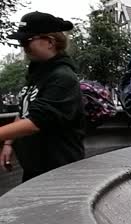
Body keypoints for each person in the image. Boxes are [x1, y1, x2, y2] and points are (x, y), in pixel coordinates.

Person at [0, 12, 84, 182]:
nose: (22, 46)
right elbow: (26, 111)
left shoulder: (62, 77)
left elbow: (36, 122)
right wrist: (9, 142)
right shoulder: (37, 73)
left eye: (26, 41)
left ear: (50, 42)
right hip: (35, 168)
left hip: (58, 171)